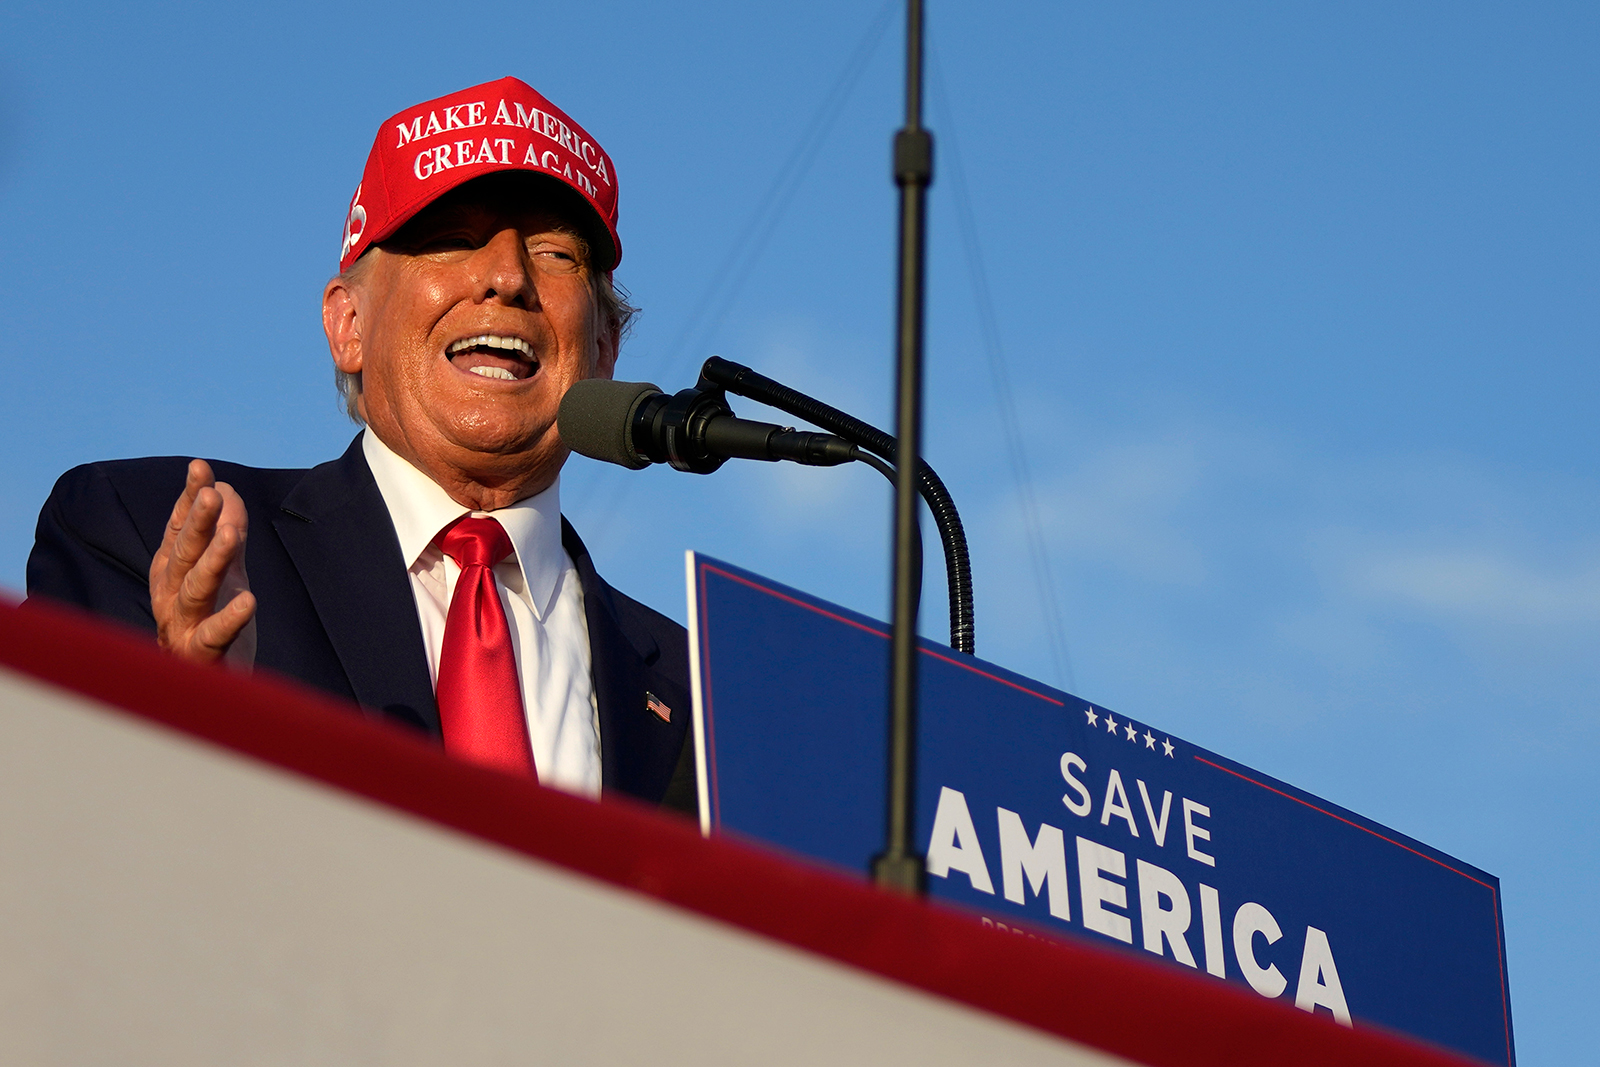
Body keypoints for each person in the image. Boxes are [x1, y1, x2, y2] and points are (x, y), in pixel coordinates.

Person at [26, 77, 696, 814]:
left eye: (555, 254)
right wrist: (187, 719)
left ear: (603, 349)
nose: (507, 278)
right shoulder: (138, 529)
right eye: (450, 240)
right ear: (349, 325)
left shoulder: (699, 702)